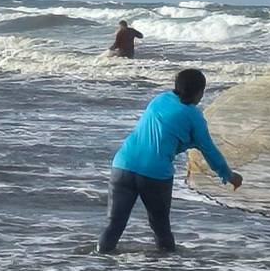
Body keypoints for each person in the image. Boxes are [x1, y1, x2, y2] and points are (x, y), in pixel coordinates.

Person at [98, 68, 243, 253]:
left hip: (122, 165)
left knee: (114, 226)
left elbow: (163, 130)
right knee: (161, 231)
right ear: (199, 92)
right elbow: (210, 151)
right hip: (155, 174)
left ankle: (99, 267)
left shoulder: (160, 99)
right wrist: (229, 176)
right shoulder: (194, 116)